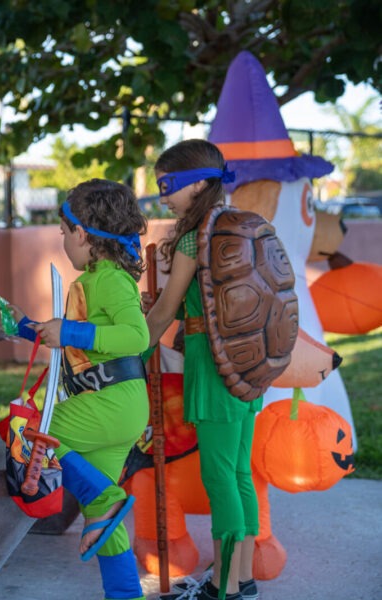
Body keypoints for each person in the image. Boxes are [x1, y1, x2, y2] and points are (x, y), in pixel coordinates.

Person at [0, 179, 149, 600]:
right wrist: (27, 326)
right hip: (112, 406)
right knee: (102, 516)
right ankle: (125, 593)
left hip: (110, 403)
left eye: (64, 232)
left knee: (26, 432)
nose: (62, 240)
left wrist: (72, 331)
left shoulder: (112, 280)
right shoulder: (97, 279)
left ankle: (107, 496)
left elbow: (136, 337)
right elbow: (70, 338)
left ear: (82, 233)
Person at [145, 139, 258, 600]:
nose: (163, 196)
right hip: (247, 363)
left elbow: (167, 310)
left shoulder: (197, 235)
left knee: (218, 476)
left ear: (198, 185)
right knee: (238, 474)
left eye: (168, 186)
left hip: (212, 368)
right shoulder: (237, 226)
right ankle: (243, 579)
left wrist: (129, 345)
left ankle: (222, 587)